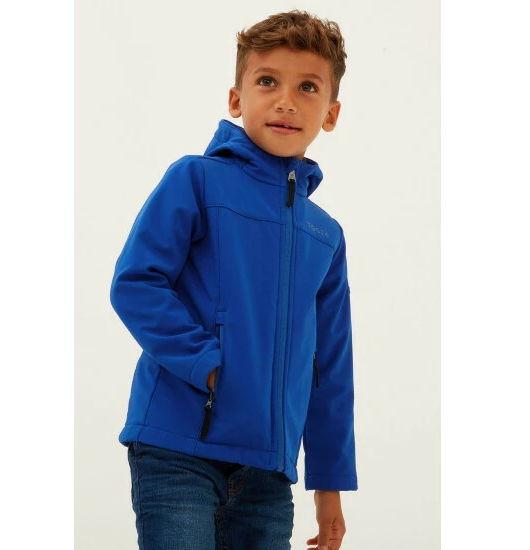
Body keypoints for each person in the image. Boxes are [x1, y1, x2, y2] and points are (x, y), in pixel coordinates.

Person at [110, 9, 358, 550]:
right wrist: (209, 366)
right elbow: (137, 283)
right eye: (267, 81)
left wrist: (329, 484)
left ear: (331, 113)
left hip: (268, 473)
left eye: (308, 87)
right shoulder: (196, 179)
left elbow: (331, 367)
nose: (286, 101)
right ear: (236, 99)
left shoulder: (326, 235)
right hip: (177, 447)